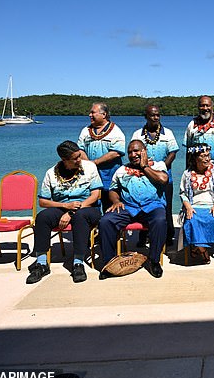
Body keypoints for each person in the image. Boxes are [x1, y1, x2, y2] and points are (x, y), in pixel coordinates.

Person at [26, 141, 103, 284]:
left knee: (80, 217)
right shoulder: (51, 173)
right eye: (75, 158)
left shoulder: (90, 167)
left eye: (79, 156)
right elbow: (43, 202)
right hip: (62, 206)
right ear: (64, 160)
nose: (79, 159)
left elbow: (95, 196)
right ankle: (42, 263)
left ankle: (78, 263)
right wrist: (65, 206)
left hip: (87, 207)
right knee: (42, 217)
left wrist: (71, 212)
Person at [98, 140, 168, 279]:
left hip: (153, 206)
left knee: (160, 220)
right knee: (106, 221)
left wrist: (144, 166)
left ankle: (154, 260)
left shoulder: (158, 165)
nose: (133, 154)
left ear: (144, 151)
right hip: (129, 207)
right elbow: (113, 189)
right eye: (130, 152)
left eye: (136, 151)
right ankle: (110, 263)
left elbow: (163, 179)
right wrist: (116, 201)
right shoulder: (122, 170)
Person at [131, 105, 179, 245]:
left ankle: (168, 235)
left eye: (158, 115)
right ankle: (143, 235)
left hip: (164, 178)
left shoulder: (168, 133)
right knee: (144, 205)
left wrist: (161, 167)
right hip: (143, 178)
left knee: (166, 207)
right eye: (152, 115)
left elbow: (172, 153)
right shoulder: (137, 134)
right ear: (145, 116)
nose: (156, 118)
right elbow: (133, 153)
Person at [178, 144, 214, 264]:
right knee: (191, 219)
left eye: (208, 155)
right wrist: (188, 207)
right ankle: (203, 250)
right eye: (203, 156)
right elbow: (183, 194)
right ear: (196, 159)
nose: (207, 159)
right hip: (194, 205)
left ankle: (197, 247)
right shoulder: (187, 174)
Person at [77, 102, 126, 212]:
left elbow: (116, 152)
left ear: (104, 114)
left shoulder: (115, 131)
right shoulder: (86, 131)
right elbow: (80, 149)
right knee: (92, 205)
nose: (90, 115)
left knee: (110, 205)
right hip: (90, 176)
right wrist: (89, 164)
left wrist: (94, 163)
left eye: (93, 112)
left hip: (110, 176)